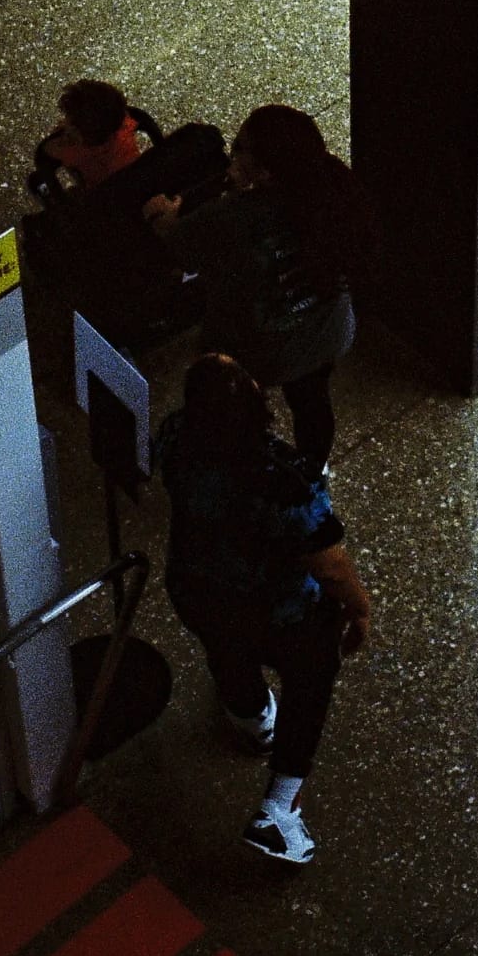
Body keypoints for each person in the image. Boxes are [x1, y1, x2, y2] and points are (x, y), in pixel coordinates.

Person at [153, 353, 371, 866]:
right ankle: (279, 811)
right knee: (311, 679)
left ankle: (252, 719)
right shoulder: (281, 478)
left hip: (196, 589)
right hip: (279, 613)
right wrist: (359, 608)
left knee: (225, 649)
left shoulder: (175, 436)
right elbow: (330, 564)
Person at [144, 105, 375, 476]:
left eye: (240, 148)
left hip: (259, 348)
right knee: (312, 399)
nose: (233, 154)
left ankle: (238, 462)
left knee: (232, 403)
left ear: (266, 171)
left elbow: (179, 247)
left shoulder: (231, 216)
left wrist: (165, 215)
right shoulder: (336, 187)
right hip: (328, 329)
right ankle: (313, 470)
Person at [28, 78, 159, 202]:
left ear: (78, 133)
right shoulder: (128, 121)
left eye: (69, 118)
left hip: (105, 202)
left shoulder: (62, 150)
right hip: (144, 183)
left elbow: (46, 154)